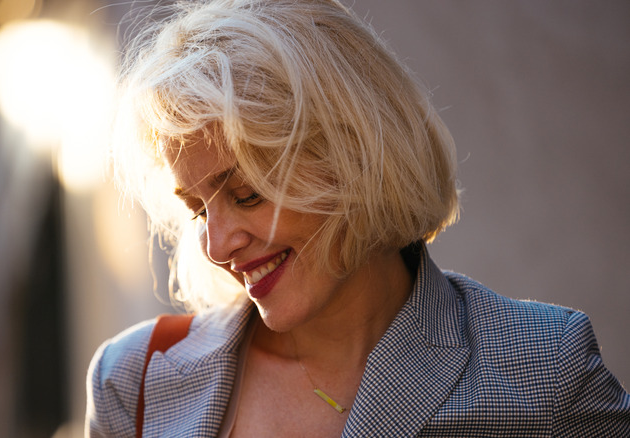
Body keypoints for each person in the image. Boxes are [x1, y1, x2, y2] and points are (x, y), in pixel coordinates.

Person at [86, 0, 630, 436]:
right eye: (199, 208)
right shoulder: (132, 381)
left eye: (248, 195)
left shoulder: (543, 369)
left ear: (354, 158)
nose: (217, 244)